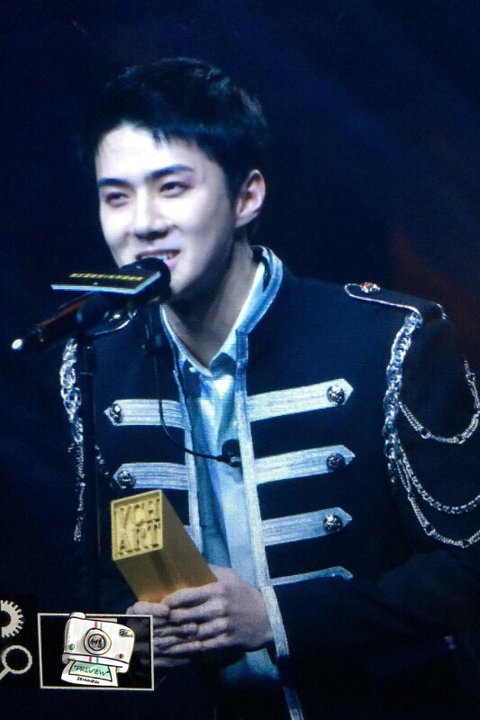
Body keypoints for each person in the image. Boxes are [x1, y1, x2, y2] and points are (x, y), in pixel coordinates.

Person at [61, 57, 480, 719]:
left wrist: (273, 618)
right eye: (116, 197)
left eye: (172, 188)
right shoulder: (96, 363)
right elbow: (90, 610)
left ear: (247, 197)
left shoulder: (389, 338)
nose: (142, 223)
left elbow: (468, 571)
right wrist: (124, 651)